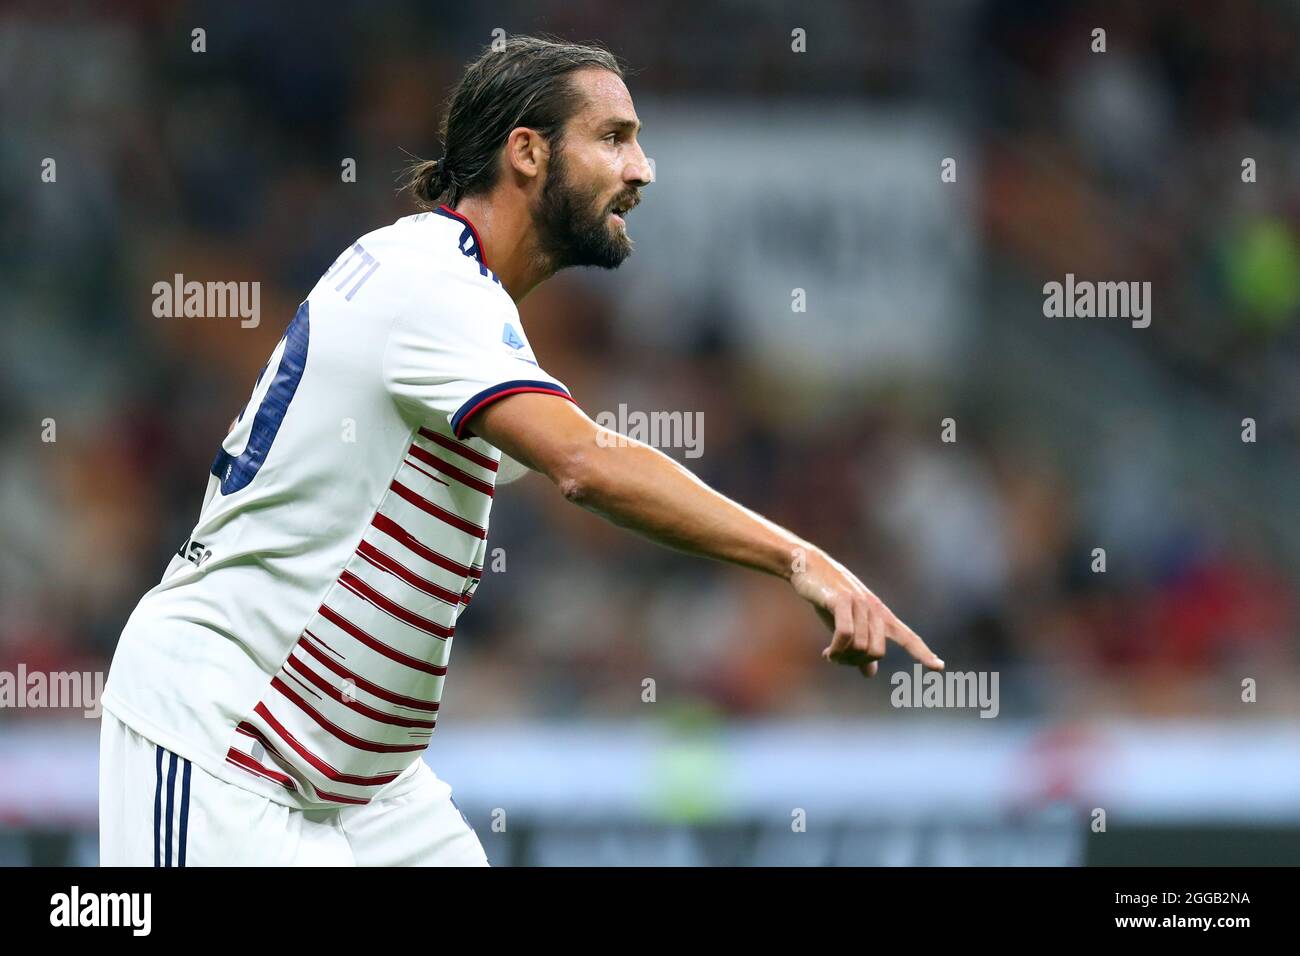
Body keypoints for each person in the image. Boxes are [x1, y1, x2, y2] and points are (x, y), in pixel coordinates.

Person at [99, 35, 943, 867]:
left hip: (364, 780)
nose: (642, 168)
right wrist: (797, 557)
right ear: (528, 152)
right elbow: (586, 464)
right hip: (226, 737)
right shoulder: (430, 281)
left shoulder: (456, 292)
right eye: (613, 137)